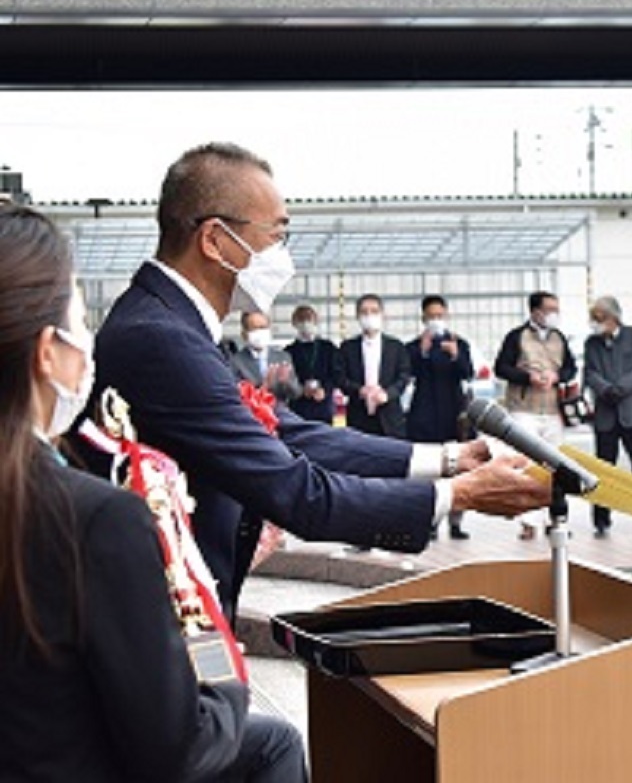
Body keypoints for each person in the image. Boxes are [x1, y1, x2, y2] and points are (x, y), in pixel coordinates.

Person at [73, 143, 550, 616]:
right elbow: (298, 493)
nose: (283, 256)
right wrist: (461, 495)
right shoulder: (162, 339)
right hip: (161, 617)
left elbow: (286, 433)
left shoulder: (175, 324)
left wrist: (451, 459)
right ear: (215, 240)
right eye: (277, 236)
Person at [0, 204, 307, 782]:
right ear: (47, 352)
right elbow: (178, 747)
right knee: (269, 745)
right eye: (81, 318)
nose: (88, 340)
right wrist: (212, 647)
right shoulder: (92, 519)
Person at [493, 290, 578, 540]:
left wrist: (557, 376)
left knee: (556, 467)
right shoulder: (517, 336)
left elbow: (570, 368)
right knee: (528, 465)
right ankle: (529, 522)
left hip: (553, 410)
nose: (554, 314)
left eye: (556, 309)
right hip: (524, 409)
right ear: (535, 311)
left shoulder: (558, 337)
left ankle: (556, 518)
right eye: (549, 309)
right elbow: (501, 367)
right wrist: (527, 377)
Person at [583, 295, 632, 537]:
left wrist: (621, 389)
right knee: (603, 469)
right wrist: (605, 389)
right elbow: (590, 372)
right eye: (593, 318)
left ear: (613, 317)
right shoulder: (592, 343)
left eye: (599, 318)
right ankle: (601, 519)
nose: (595, 323)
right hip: (606, 414)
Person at [407, 295, 474, 540]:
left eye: (440, 315)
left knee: (457, 469)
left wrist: (456, 355)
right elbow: (407, 374)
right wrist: (423, 352)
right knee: (429, 471)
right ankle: (430, 522)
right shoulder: (414, 346)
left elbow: (468, 373)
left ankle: (456, 522)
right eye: (431, 316)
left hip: (454, 416)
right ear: (423, 318)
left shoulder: (459, 343)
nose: (436, 320)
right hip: (424, 415)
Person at [338, 293, 412, 438]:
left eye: (374, 311)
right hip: (358, 417)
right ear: (358, 317)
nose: (369, 316)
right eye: (364, 312)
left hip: (390, 418)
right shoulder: (347, 348)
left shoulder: (396, 347)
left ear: (382, 315)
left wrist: (387, 394)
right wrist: (360, 390)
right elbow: (340, 377)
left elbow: (404, 376)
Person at [284, 304, 341, 425]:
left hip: (324, 406)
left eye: (309, 318)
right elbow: (287, 379)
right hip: (299, 407)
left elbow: (337, 373)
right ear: (294, 323)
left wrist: (325, 389)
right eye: (301, 319)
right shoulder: (289, 351)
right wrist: (300, 390)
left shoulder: (328, 347)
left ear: (316, 321)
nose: (305, 323)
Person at [230, 310, 302, 404]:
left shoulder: (283, 357)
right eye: (254, 328)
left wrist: (286, 383)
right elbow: (237, 396)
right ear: (244, 334)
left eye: (263, 327)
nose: (260, 332)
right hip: (252, 415)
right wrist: (265, 386)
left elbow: (296, 393)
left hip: (280, 414)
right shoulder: (236, 362)